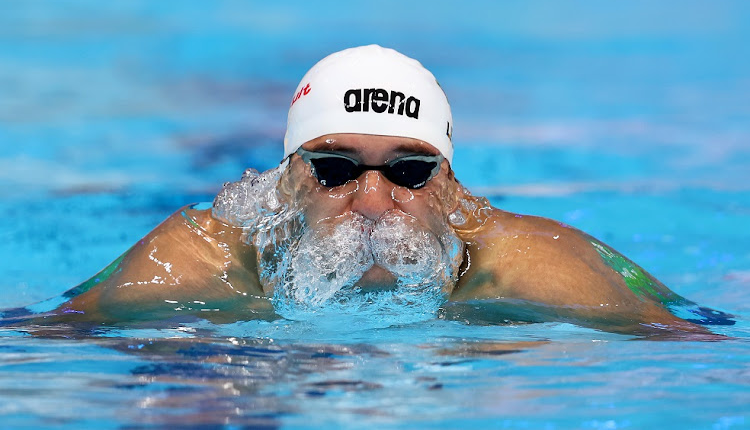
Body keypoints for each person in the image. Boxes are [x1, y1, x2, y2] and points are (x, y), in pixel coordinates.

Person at [17, 45, 732, 336]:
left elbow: (700, 354)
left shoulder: (529, 270)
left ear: (448, 185)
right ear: (289, 180)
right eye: (333, 167)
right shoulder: (201, 260)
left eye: (408, 171)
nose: (370, 200)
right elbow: (38, 341)